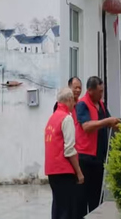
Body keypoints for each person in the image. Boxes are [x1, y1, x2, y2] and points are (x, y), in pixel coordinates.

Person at [74, 76, 121, 216]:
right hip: (85, 158)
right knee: (82, 197)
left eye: (102, 91)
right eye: (100, 91)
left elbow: (111, 123)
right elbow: (87, 127)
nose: (102, 94)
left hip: (99, 158)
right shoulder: (82, 105)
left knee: (97, 197)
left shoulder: (101, 105)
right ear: (90, 91)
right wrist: (107, 121)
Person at [45, 86, 84, 219]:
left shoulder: (52, 118)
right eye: (73, 101)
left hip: (52, 171)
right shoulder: (66, 119)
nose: (74, 104)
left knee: (58, 207)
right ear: (69, 100)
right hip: (64, 171)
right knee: (67, 210)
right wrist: (79, 172)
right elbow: (69, 150)